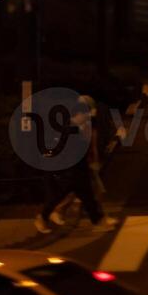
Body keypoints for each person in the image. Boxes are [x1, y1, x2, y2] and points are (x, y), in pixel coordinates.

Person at [35, 96, 116, 234]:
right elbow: (65, 149)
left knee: (86, 195)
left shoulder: (75, 128)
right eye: (85, 115)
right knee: (64, 194)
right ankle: (43, 217)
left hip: (77, 169)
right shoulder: (70, 129)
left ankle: (98, 220)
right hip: (70, 170)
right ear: (78, 115)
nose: (87, 118)